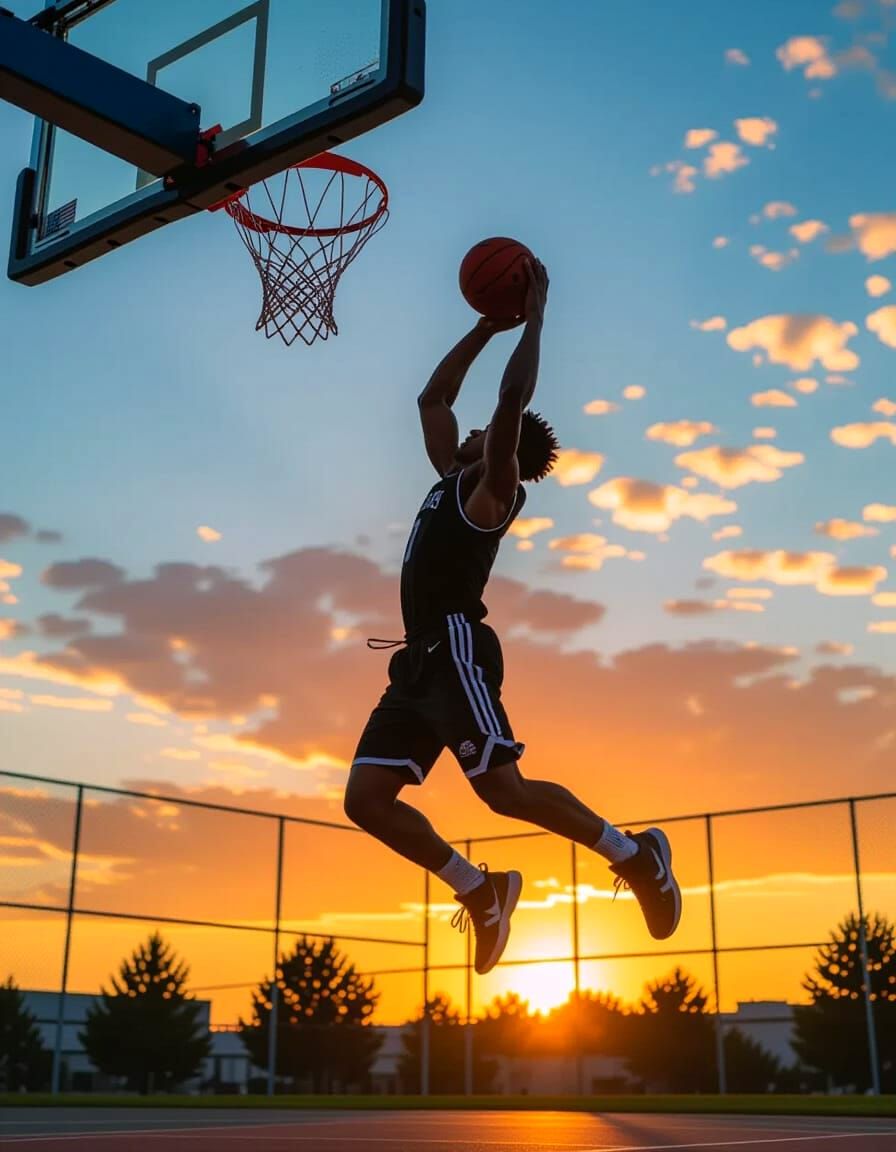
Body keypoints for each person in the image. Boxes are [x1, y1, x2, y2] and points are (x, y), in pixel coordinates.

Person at [344, 259, 681, 975]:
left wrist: (535, 321)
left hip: (458, 651)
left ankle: (636, 855)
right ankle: (481, 889)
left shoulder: (493, 489)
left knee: (505, 794)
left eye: (483, 433)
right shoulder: (450, 479)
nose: (464, 432)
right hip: (419, 662)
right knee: (366, 800)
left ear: (501, 449)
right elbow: (432, 399)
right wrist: (482, 327)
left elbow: (506, 404)